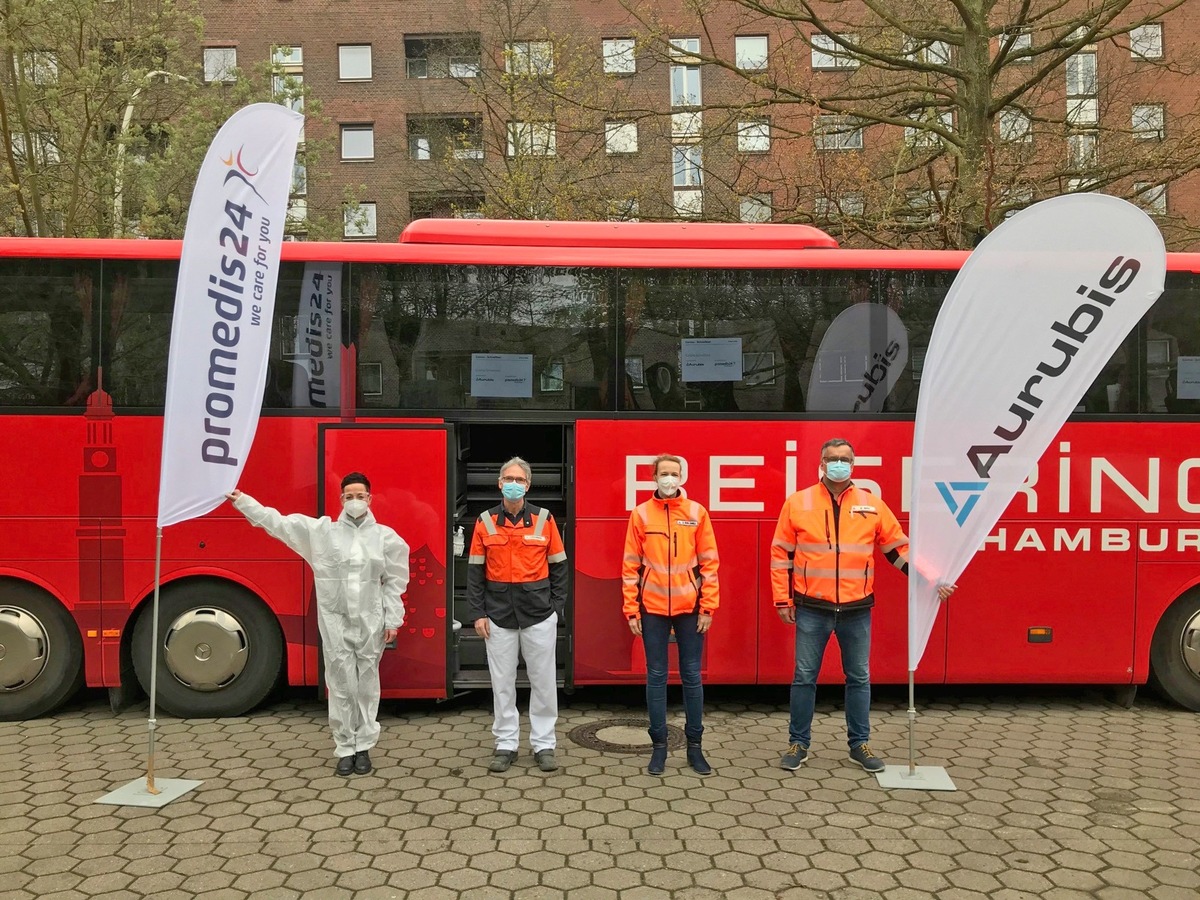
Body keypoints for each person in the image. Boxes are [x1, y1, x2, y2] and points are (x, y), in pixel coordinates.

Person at [770, 439, 954, 773]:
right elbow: (781, 553)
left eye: (845, 459)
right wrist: (782, 598)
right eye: (832, 458)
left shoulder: (872, 505)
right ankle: (798, 744)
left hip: (856, 609)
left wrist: (931, 577)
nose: (839, 463)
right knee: (804, 677)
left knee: (858, 678)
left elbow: (897, 550)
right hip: (812, 606)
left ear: (854, 464)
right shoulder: (798, 502)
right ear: (822, 463)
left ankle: (860, 745)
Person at [228, 473, 409, 776]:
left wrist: (393, 618)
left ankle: (363, 746)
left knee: (366, 685)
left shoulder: (387, 538)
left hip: (370, 620)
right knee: (340, 683)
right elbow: (278, 523)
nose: (355, 501)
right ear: (341, 500)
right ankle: (344, 748)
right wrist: (244, 502)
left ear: (370, 499)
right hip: (335, 620)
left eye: (360, 496)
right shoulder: (322, 532)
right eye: (349, 496)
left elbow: (395, 582)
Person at [469, 457, 568, 773]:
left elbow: (560, 567)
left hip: (538, 614)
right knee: (502, 684)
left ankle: (544, 745)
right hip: (498, 615)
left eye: (520, 479)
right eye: (508, 478)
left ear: (528, 485)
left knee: (543, 683)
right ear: (499, 483)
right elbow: (474, 572)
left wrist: (555, 608)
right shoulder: (484, 521)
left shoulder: (544, 519)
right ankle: (506, 744)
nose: (514, 484)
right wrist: (478, 613)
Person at [622, 453, 719, 776]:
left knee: (692, 677)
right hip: (652, 609)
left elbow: (709, 564)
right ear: (654, 477)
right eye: (663, 473)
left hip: (690, 609)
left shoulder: (696, 512)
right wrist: (631, 609)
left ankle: (695, 748)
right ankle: (659, 747)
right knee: (656, 677)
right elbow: (630, 566)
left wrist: (707, 606)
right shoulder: (641, 514)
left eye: (674, 473)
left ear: (682, 477)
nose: (668, 479)